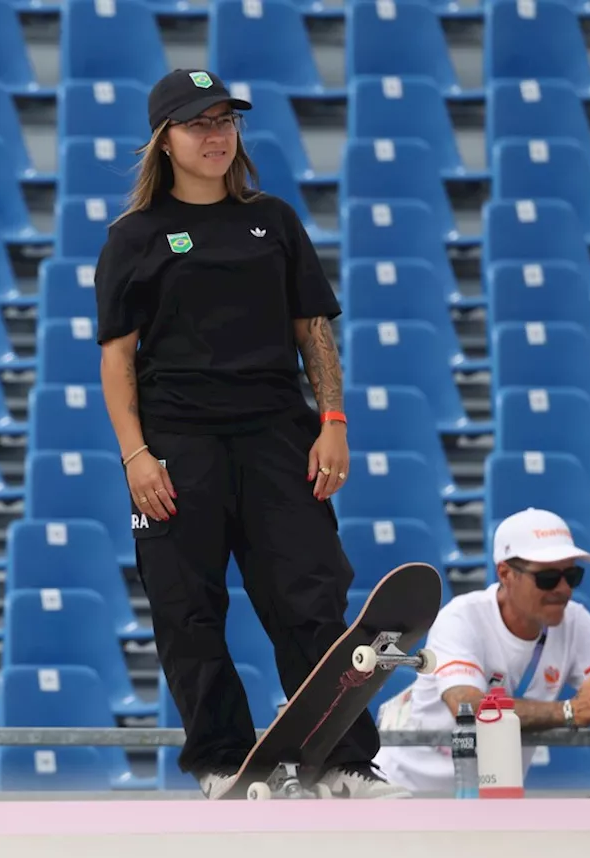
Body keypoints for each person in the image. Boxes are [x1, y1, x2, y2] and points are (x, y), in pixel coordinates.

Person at [93, 69, 406, 800]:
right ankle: (220, 759)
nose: (215, 135)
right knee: (186, 608)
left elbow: (314, 331)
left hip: (276, 437)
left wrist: (334, 422)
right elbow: (117, 360)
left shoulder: (275, 220)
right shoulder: (131, 238)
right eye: (198, 123)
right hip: (176, 446)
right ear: (164, 140)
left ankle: (345, 762)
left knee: (311, 599)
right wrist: (134, 454)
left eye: (225, 121)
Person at [373, 508, 590, 795]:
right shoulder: (461, 617)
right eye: (547, 578)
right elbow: (467, 707)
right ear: (506, 574)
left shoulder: (577, 620)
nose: (563, 589)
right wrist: (568, 711)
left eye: (572, 575)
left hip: (490, 795)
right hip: (404, 791)